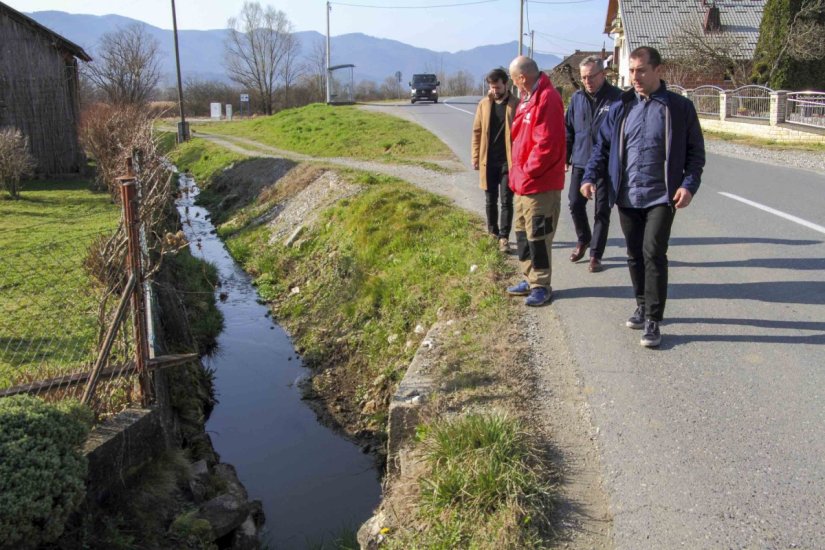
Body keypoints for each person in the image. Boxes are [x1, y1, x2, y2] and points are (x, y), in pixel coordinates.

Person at [582, 46, 705, 347]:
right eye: (632, 70)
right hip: (626, 195)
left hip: (661, 196)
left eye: (641, 70)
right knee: (634, 254)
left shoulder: (678, 108)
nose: (635, 77)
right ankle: (641, 304)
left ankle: (653, 319)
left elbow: (695, 153)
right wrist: (588, 176)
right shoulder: (622, 106)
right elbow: (603, 147)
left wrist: (688, 185)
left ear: (658, 71)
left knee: (653, 253)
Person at [505, 56, 566, 307]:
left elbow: (546, 144)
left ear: (522, 78)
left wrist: (528, 171)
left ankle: (541, 284)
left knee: (538, 236)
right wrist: (518, 174)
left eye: (513, 79)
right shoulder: (527, 98)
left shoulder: (547, 98)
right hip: (522, 182)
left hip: (539, 183)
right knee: (521, 233)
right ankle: (529, 278)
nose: (513, 84)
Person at [565, 56, 621, 272]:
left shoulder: (617, 99)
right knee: (575, 203)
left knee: (602, 211)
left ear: (602, 74)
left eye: (591, 76)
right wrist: (565, 158)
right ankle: (584, 238)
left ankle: (595, 255)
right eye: (583, 77)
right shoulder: (577, 99)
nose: (587, 81)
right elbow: (568, 130)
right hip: (580, 160)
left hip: (606, 163)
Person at [472, 68, 519, 252]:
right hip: (488, 160)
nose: (494, 90)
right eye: (491, 87)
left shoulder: (516, 104)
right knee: (490, 200)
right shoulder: (484, 104)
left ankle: (504, 238)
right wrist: (475, 156)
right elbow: (477, 132)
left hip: (509, 161)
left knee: (507, 201)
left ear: (505, 84)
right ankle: (493, 232)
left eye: (497, 87)